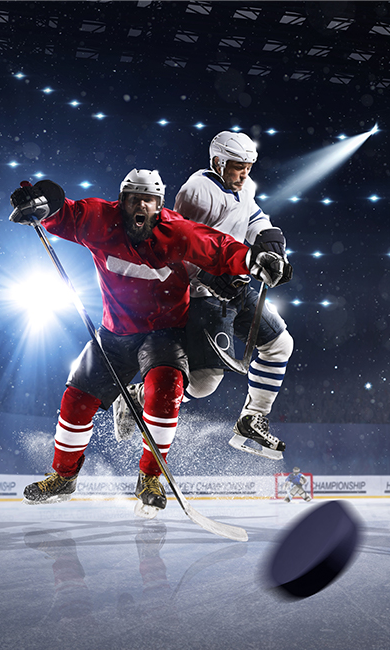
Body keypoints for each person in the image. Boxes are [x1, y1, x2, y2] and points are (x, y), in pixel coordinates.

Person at [8, 169, 290, 517]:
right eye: (133, 199)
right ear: (121, 201)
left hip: (163, 334)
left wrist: (254, 259)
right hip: (114, 333)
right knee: (76, 399)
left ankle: (149, 478)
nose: (141, 206)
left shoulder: (176, 231)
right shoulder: (100, 219)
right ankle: (63, 477)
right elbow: (63, 212)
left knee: (165, 391)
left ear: (159, 205)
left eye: (149, 200)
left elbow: (219, 248)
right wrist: (40, 200)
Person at [113, 131, 294, 461]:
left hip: (235, 289)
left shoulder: (244, 187)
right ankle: (138, 396)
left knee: (281, 344)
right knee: (204, 383)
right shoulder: (199, 190)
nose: (244, 174)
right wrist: (208, 274)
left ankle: (252, 418)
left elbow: (254, 218)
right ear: (218, 161)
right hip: (202, 295)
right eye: (238, 166)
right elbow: (178, 241)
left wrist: (273, 244)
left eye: (248, 167)